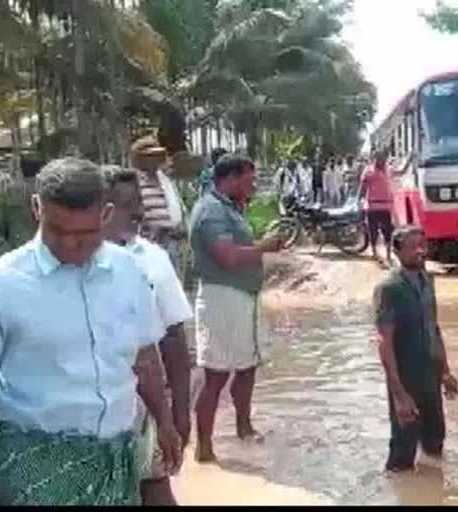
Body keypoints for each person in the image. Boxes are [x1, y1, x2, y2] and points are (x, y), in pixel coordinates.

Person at [0, 158, 182, 505]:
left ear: (106, 215)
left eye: (85, 234)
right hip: (34, 468)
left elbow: (145, 358)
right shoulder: (4, 283)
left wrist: (164, 423)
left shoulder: (128, 271)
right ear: (37, 208)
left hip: (118, 459)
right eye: (57, 231)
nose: (70, 245)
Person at [101, 165, 193, 505]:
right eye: (127, 203)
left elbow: (173, 339)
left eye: (138, 200)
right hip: (86, 420)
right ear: (102, 206)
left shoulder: (152, 259)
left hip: (145, 408)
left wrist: (179, 412)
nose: (138, 211)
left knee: (157, 492)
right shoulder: (65, 265)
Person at [189, 154, 285, 463]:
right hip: (222, 299)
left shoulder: (229, 208)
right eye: (248, 180)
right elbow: (227, 258)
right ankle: (204, 447)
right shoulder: (211, 211)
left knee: (247, 365)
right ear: (229, 178)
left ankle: (244, 428)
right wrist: (265, 247)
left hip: (243, 297)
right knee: (216, 374)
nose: (253, 186)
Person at [373, 226, 458, 472]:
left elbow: (435, 328)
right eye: (413, 247)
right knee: (402, 453)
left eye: (423, 245)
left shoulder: (428, 281)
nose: (421, 251)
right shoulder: (389, 289)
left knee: (435, 442)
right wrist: (399, 394)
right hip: (406, 378)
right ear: (397, 252)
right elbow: (384, 341)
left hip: (431, 375)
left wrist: (445, 372)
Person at [130, 135, 188, 273]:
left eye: (157, 155)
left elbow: (179, 210)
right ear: (140, 159)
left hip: (172, 244)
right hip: (148, 245)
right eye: (150, 156)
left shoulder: (166, 182)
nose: (154, 160)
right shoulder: (135, 183)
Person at [359, 150, 396, 265]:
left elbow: (401, 172)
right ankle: (375, 253)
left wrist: (410, 160)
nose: (380, 160)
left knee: (388, 232)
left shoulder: (389, 169)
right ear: (374, 158)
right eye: (378, 158)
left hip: (386, 206)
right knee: (373, 231)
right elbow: (363, 187)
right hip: (372, 206)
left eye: (382, 158)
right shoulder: (368, 171)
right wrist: (360, 200)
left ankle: (389, 255)